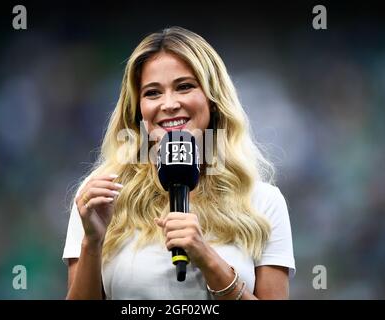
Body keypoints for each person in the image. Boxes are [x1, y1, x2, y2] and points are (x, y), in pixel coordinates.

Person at [62, 26, 295, 300]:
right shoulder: (101, 196)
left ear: (213, 99)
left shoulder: (263, 202)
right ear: (138, 110)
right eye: (152, 93)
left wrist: (207, 259)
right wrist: (92, 242)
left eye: (184, 87)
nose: (169, 104)